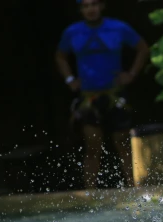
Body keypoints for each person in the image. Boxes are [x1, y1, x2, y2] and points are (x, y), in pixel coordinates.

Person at [55, 0, 149, 189]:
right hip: (89, 96)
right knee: (92, 145)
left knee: (122, 143)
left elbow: (143, 48)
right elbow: (60, 55)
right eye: (86, 5)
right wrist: (70, 79)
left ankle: (132, 187)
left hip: (114, 93)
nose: (91, 9)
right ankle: (90, 192)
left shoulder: (118, 27)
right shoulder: (72, 32)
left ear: (102, 6)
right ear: (80, 9)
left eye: (94, 4)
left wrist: (130, 74)